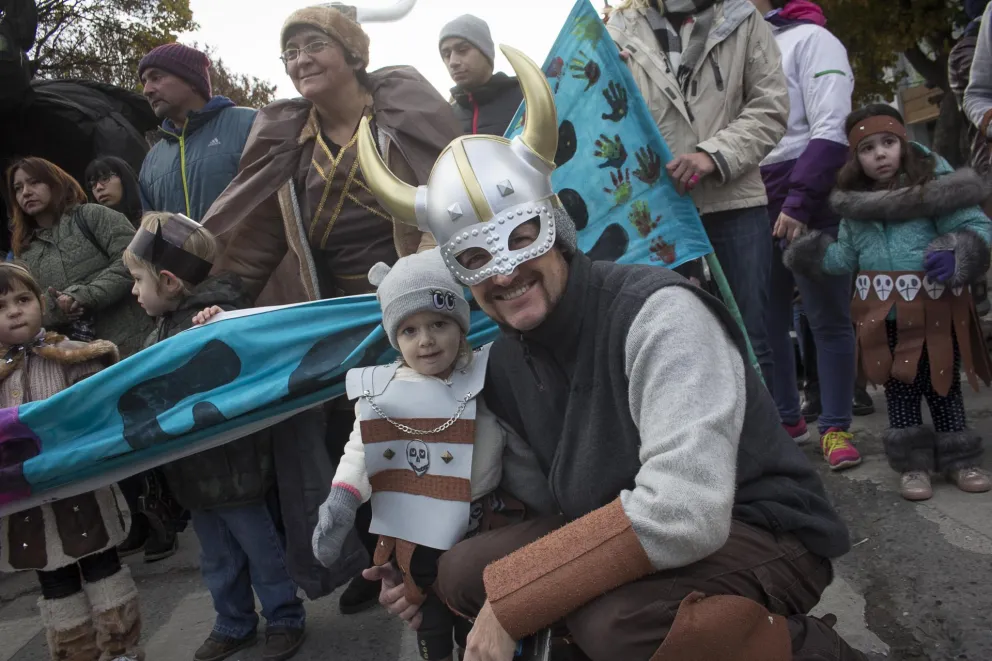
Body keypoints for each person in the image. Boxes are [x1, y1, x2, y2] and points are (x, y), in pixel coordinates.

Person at [357, 44, 866, 661]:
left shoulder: (658, 312)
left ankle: (815, 651)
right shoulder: (506, 361)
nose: (506, 271)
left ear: (557, 226)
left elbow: (686, 510)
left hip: (758, 526)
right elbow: (504, 494)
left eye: (522, 236)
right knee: (464, 572)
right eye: (475, 257)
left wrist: (519, 598)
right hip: (618, 519)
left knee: (615, 624)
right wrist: (414, 566)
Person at [202, 2, 462, 615]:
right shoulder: (289, 143)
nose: (301, 61)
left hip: (419, 301)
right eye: (290, 53)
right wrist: (219, 297)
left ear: (352, 53)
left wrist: (420, 276)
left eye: (314, 45)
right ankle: (379, 559)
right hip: (340, 317)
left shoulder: (402, 113)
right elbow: (258, 238)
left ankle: (446, 552)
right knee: (356, 435)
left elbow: (454, 192)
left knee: (432, 421)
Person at [311, 249, 515, 661]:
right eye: (409, 330)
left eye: (439, 323)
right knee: (428, 612)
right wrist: (342, 500)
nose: (426, 340)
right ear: (395, 338)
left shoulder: (486, 374)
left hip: (482, 521)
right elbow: (361, 449)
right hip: (417, 530)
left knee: (476, 613)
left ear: (461, 325)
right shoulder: (384, 393)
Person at [785, 105, 992, 502]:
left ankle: (960, 459)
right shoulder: (854, 208)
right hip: (883, 319)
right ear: (855, 158)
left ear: (904, 144)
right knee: (899, 389)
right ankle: (912, 465)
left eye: (888, 143)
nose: (879, 154)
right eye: (867, 148)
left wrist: (957, 252)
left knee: (943, 384)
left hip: (935, 312)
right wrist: (809, 253)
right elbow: (845, 257)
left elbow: (975, 226)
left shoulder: (935, 187)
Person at [123, 212, 305, 661]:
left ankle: (284, 616)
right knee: (217, 557)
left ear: (168, 281)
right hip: (192, 473)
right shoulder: (164, 326)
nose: (133, 291)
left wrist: (221, 325)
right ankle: (233, 622)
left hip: (236, 469)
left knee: (261, 548)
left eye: (137, 280)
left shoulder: (215, 318)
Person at [606, 0, 789, 385]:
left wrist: (713, 156)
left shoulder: (742, 18)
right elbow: (604, 120)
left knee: (749, 339)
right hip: (657, 212)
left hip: (734, 202)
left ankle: (761, 426)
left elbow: (770, 107)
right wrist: (606, 82)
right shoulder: (616, 28)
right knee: (672, 343)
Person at [0, 262, 144, 661]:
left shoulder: (73, 356)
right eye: (1, 306)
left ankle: (122, 650)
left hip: (84, 491)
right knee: (55, 583)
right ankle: (77, 653)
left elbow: (102, 410)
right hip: (31, 507)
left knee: (104, 570)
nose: (15, 311)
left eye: (23, 299)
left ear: (41, 303)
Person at [751, 0, 860, 465]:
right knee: (766, 320)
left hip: (810, 197)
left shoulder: (813, 39)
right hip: (751, 197)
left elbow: (831, 126)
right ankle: (785, 419)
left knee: (827, 318)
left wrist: (799, 200)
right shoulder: (732, 48)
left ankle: (835, 427)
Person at [5, 157, 153, 358]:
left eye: (34, 182)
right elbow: (23, 304)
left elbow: (134, 260)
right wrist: (57, 308)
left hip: (137, 342)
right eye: (18, 188)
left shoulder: (92, 216)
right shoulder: (24, 250)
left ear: (54, 182)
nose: (26, 192)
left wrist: (85, 294)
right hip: (79, 360)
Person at [137, 43, 257, 220]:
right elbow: (153, 229)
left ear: (192, 81)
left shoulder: (250, 124)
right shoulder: (151, 161)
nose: (147, 90)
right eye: (145, 82)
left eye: (156, 77)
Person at [439, 15, 523, 135]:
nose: (453, 62)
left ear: (485, 53)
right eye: (446, 55)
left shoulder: (526, 99)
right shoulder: (446, 118)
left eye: (462, 50)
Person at [84, 155, 144, 227]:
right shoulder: (94, 228)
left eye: (104, 178)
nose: (98, 188)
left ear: (123, 179)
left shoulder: (150, 218)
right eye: (93, 184)